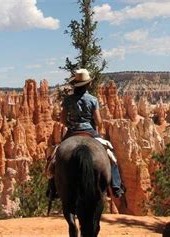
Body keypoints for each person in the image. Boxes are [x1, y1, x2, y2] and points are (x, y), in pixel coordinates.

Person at [47, 68, 125, 198]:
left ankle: (52, 188)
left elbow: (62, 119)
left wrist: (71, 124)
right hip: (90, 131)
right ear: (88, 84)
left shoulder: (67, 100)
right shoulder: (93, 100)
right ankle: (116, 186)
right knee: (110, 155)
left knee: (54, 156)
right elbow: (99, 121)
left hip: (72, 132)